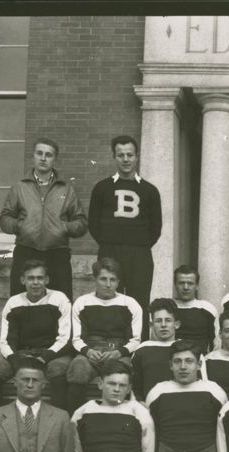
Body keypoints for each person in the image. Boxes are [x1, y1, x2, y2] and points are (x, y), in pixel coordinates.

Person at [87, 135, 162, 338]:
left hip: (139, 253)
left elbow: (156, 227)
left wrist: (137, 243)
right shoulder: (102, 188)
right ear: (114, 157)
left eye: (130, 155)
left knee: (139, 302)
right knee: (109, 299)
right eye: (121, 155)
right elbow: (93, 223)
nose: (126, 159)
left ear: (137, 157)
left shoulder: (149, 190)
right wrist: (109, 242)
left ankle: (139, 348)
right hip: (110, 251)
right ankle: (108, 346)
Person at [0, 137, 87, 299]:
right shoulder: (20, 187)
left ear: (55, 159)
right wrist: (21, 226)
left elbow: (81, 222)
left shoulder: (66, 189)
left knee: (60, 303)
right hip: (26, 251)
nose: (43, 158)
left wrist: (64, 228)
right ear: (33, 156)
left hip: (57, 255)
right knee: (21, 302)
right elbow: (5, 218)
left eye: (49, 155)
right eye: (39, 153)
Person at [0, 259, 72, 410]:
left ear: (47, 280)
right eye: (31, 278)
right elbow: (6, 340)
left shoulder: (59, 299)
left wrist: (45, 356)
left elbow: (65, 337)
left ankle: (59, 424)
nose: (35, 282)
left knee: (58, 371)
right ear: (23, 280)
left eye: (40, 278)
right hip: (23, 354)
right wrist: (15, 360)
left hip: (54, 355)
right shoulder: (14, 302)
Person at [66, 257, 143, 415]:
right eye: (103, 279)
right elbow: (76, 338)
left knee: (125, 371)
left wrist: (118, 353)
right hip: (91, 354)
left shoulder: (130, 304)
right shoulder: (82, 302)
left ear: (118, 282)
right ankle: (76, 420)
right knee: (78, 368)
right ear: (95, 279)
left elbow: (135, 340)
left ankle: (123, 418)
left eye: (113, 280)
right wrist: (88, 352)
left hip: (118, 352)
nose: (108, 284)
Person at [131, 298, 180, 401]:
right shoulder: (142, 350)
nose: (163, 325)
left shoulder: (188, 349)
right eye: (158, 321)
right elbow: (134, 388)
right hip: (148, 409)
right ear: (151, 325)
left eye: (168, 320)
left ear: (176, 324)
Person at [172, 266, 218, 354]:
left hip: (200, 361)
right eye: (181, 283)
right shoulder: (168, 308)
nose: (186, 287)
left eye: (190, 283)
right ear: (175, 285)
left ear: (197, 286)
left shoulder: (207, 309)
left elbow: (216, 344)